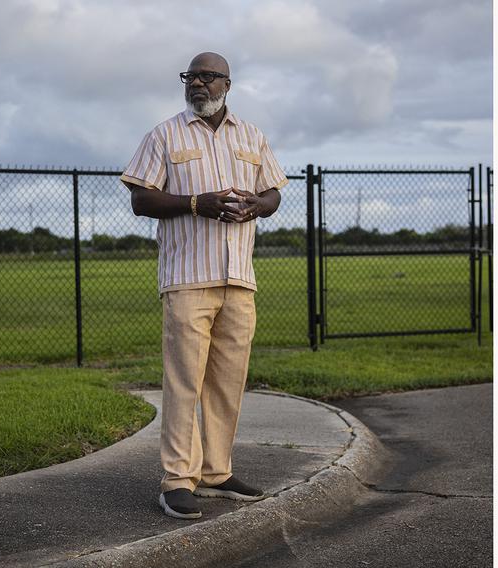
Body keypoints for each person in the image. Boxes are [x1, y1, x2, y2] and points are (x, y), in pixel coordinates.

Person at [120, 52, 288, 520]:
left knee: (227, 382)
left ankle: (216, 472)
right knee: (183, 382)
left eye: (207, 76)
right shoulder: (165, 134)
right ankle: (177, 480)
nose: (197, 83)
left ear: (227, 84)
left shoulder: (252, 136)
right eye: (190, 76)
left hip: (239, 279)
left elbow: (274, 191)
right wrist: (198, 203)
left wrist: (258, 204)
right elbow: (140, 199)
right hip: (187, 279)